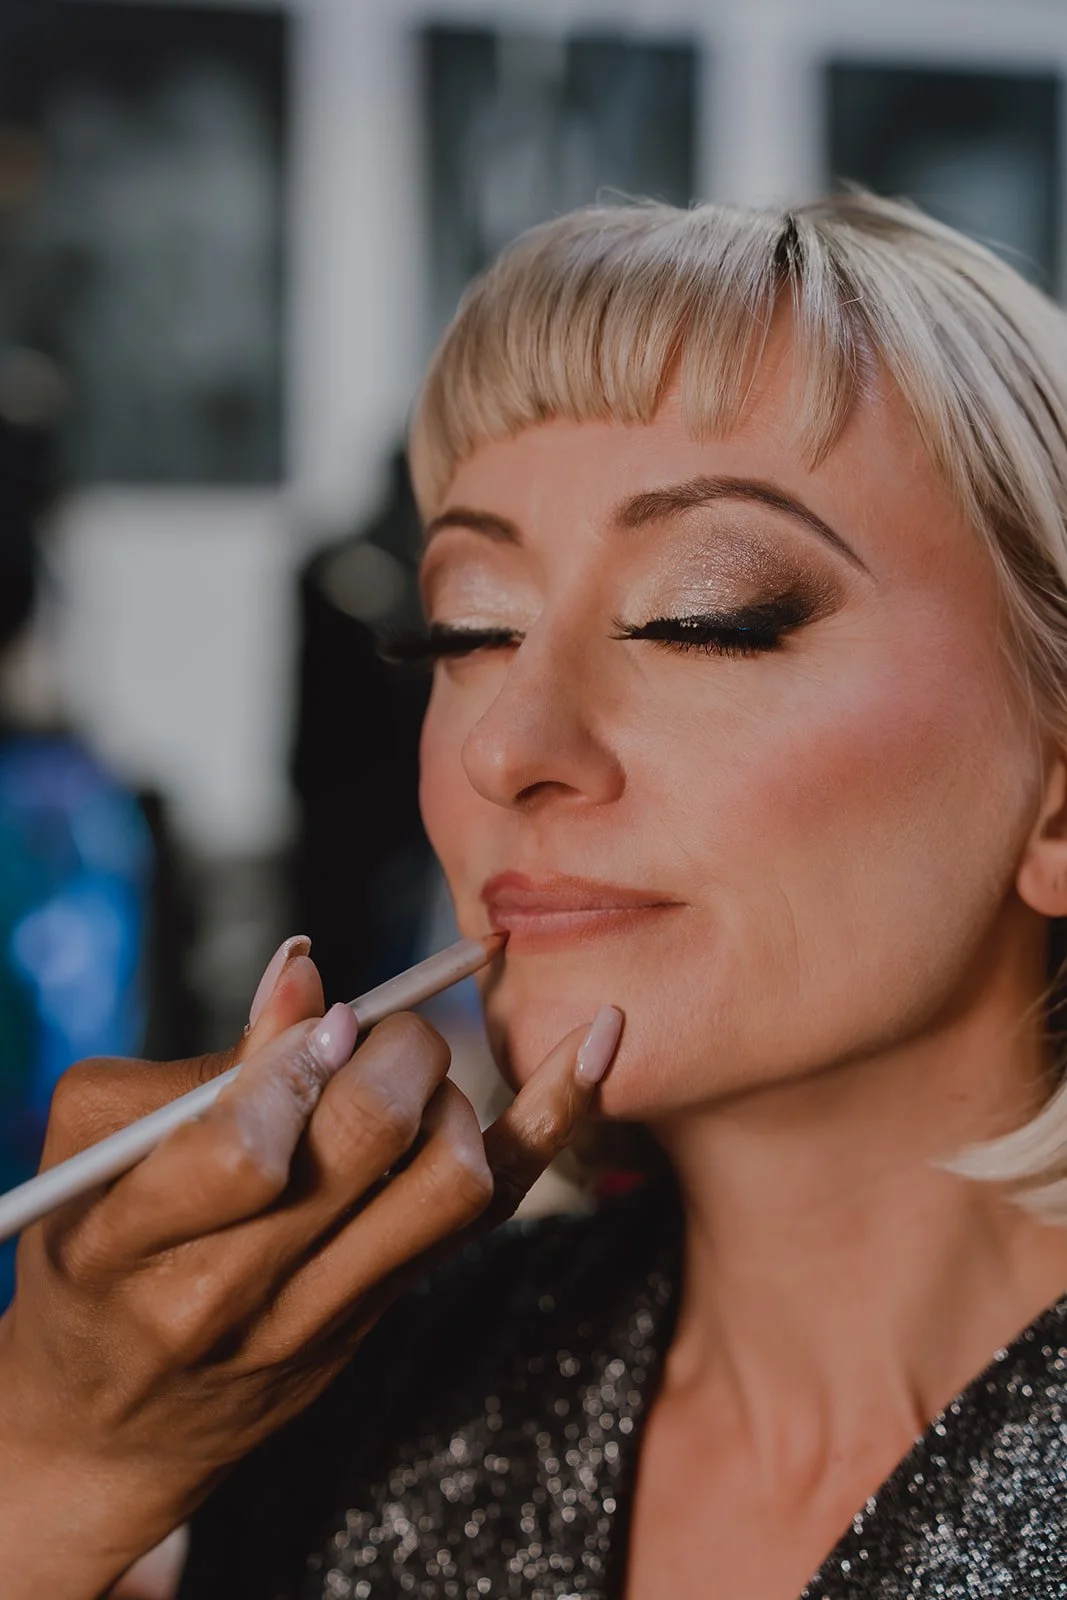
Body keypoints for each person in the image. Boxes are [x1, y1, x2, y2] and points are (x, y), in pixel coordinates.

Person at [7, 192, 1067, 1599]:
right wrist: (52, 1479)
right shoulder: (349, 1403)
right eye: (470, 630)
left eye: (703, 617)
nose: (508, 744)